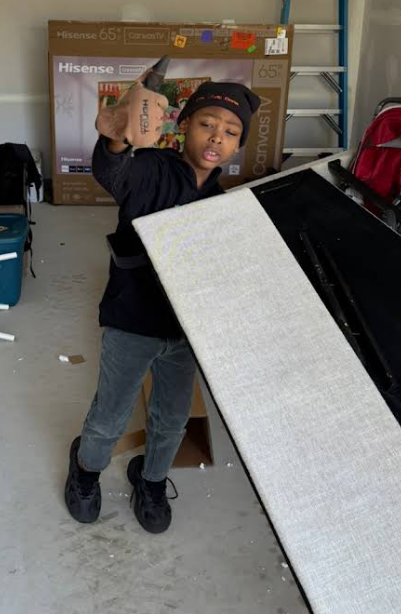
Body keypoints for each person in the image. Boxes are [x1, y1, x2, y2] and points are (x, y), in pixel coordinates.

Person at [65, 73, 260, 534]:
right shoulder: (151, 167)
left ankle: (150, 480)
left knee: (172, 421)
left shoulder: (223, 202)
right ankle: (86, 471)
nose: (217, 137)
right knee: (109, 418)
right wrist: (114, 140)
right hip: (133, 320)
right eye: (207, 124)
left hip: (185, 331)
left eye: (231, 132)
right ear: (185, 125)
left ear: (237, 146)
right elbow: (114, 172)